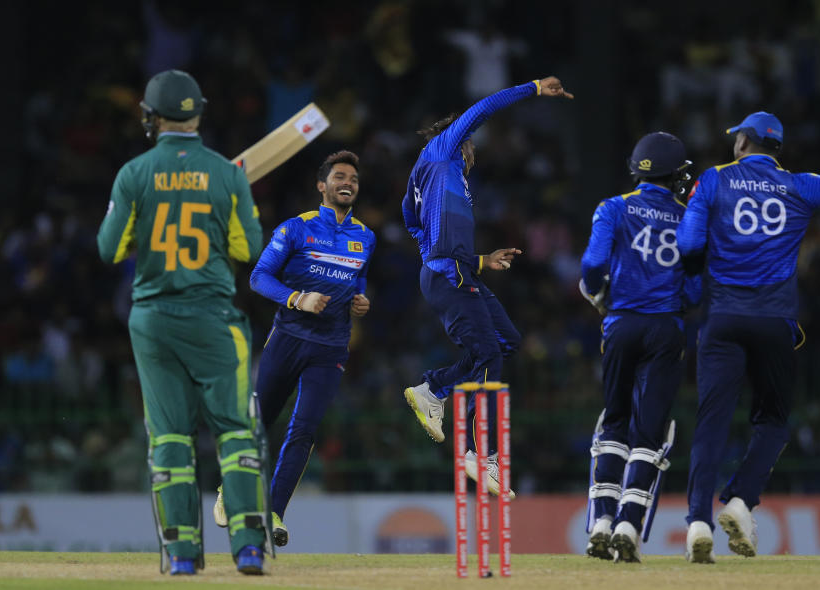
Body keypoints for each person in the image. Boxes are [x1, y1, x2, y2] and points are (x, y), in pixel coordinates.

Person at [676, 113, 820, 563]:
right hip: (775, 322)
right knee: (772, 421)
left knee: (712, 421)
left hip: (723, 319)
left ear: (745, 142)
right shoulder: (800, 184)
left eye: (737, 136)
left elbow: (690, 244)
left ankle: (698, 520)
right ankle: (740, 500)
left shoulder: (714, 179)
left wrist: (701, 270)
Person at [96, 69, 268, 575]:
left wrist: (140, 237)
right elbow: (248, 248)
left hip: (153, 320)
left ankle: (182, 557)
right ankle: (249, 548)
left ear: (150, 117)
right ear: (199, 113)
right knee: (235, 432)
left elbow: (110, 249)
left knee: (169, 437)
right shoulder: (227, 173)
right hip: (214, 318)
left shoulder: (134, 173)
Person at [400, 76, 573, 496]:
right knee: (489, 354)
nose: (474, 152)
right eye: (471, 145)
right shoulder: (443, 150)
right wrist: (533, 88)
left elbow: (410, 217)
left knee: (506, 341)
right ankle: (484, 456)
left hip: (457, 271)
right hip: (449, 275)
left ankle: (434, 389)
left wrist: (476, 260)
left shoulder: (433, 177)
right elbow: (483, 109)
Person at [213, 151, 374, 549]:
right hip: (287, 339)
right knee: (260, 421)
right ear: (322, 186)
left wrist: (361, 302)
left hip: (331, 348)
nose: (347, 182)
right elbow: (258, 278)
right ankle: (229, 488)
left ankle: (274, 511)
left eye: (353, 177)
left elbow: (358, 283)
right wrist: (297, 299)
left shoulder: (365, 237)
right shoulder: (296, 229)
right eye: (339, 175)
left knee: (304, 430)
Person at [580, 132, 700, 563]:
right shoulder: (688, 217)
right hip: (666, 329)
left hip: (621, 324)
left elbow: (593, 264)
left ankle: (600, 523)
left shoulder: (612, 207)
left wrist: (597, 293)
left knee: (613, 423)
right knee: (650, 432)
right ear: (674, 175)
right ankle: (629, 524)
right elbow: (696, 286)